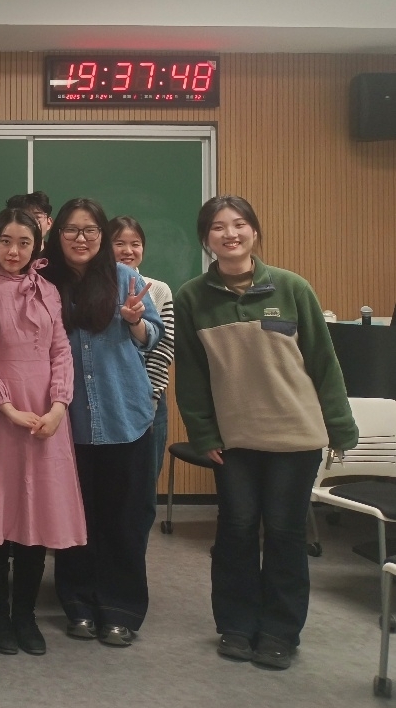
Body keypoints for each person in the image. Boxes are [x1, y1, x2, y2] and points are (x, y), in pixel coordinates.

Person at [175, 195, 356, 670]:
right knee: (235, 529)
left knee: (283, 531)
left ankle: (279, 631)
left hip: (295, 434)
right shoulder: (192, 296)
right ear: (206, 237)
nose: (230, 234)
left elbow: (323, 361)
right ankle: (236, 625)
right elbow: (190, 374)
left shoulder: (292, 287)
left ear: (254, 231)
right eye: (218, 227)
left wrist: (340, 426)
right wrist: (203, 434)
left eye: (239, 224)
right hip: (234, 439)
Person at [0, 208, 86, 657]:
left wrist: (59, 405)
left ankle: (25, 615)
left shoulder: (48, 289)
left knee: (39, 514)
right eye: (5, 241)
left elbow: (60, 349)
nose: (14, 251)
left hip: (47, 417)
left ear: (37, 246)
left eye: (24, 243)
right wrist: (7, 407)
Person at [40, 197, 163, 649]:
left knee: (123, 519)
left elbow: (152, 338)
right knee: (76, 518)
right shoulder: (44, 283)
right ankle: (78, 604)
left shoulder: (126, 278)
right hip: (67, 419)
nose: (81, 238)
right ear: (58, 235)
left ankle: (120, 609)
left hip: (122, 413)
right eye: (72, 230)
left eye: (91, 230)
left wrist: (134, 322)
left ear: (102, 236)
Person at [110, 216, 176, 511]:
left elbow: (163, 349)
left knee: (142, 490)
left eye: (135, 244)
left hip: (149, 401)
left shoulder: (158, 290)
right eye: (119, 243)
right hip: (107, 401)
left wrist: (147, 399)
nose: (128, 250)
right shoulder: (92, 289)